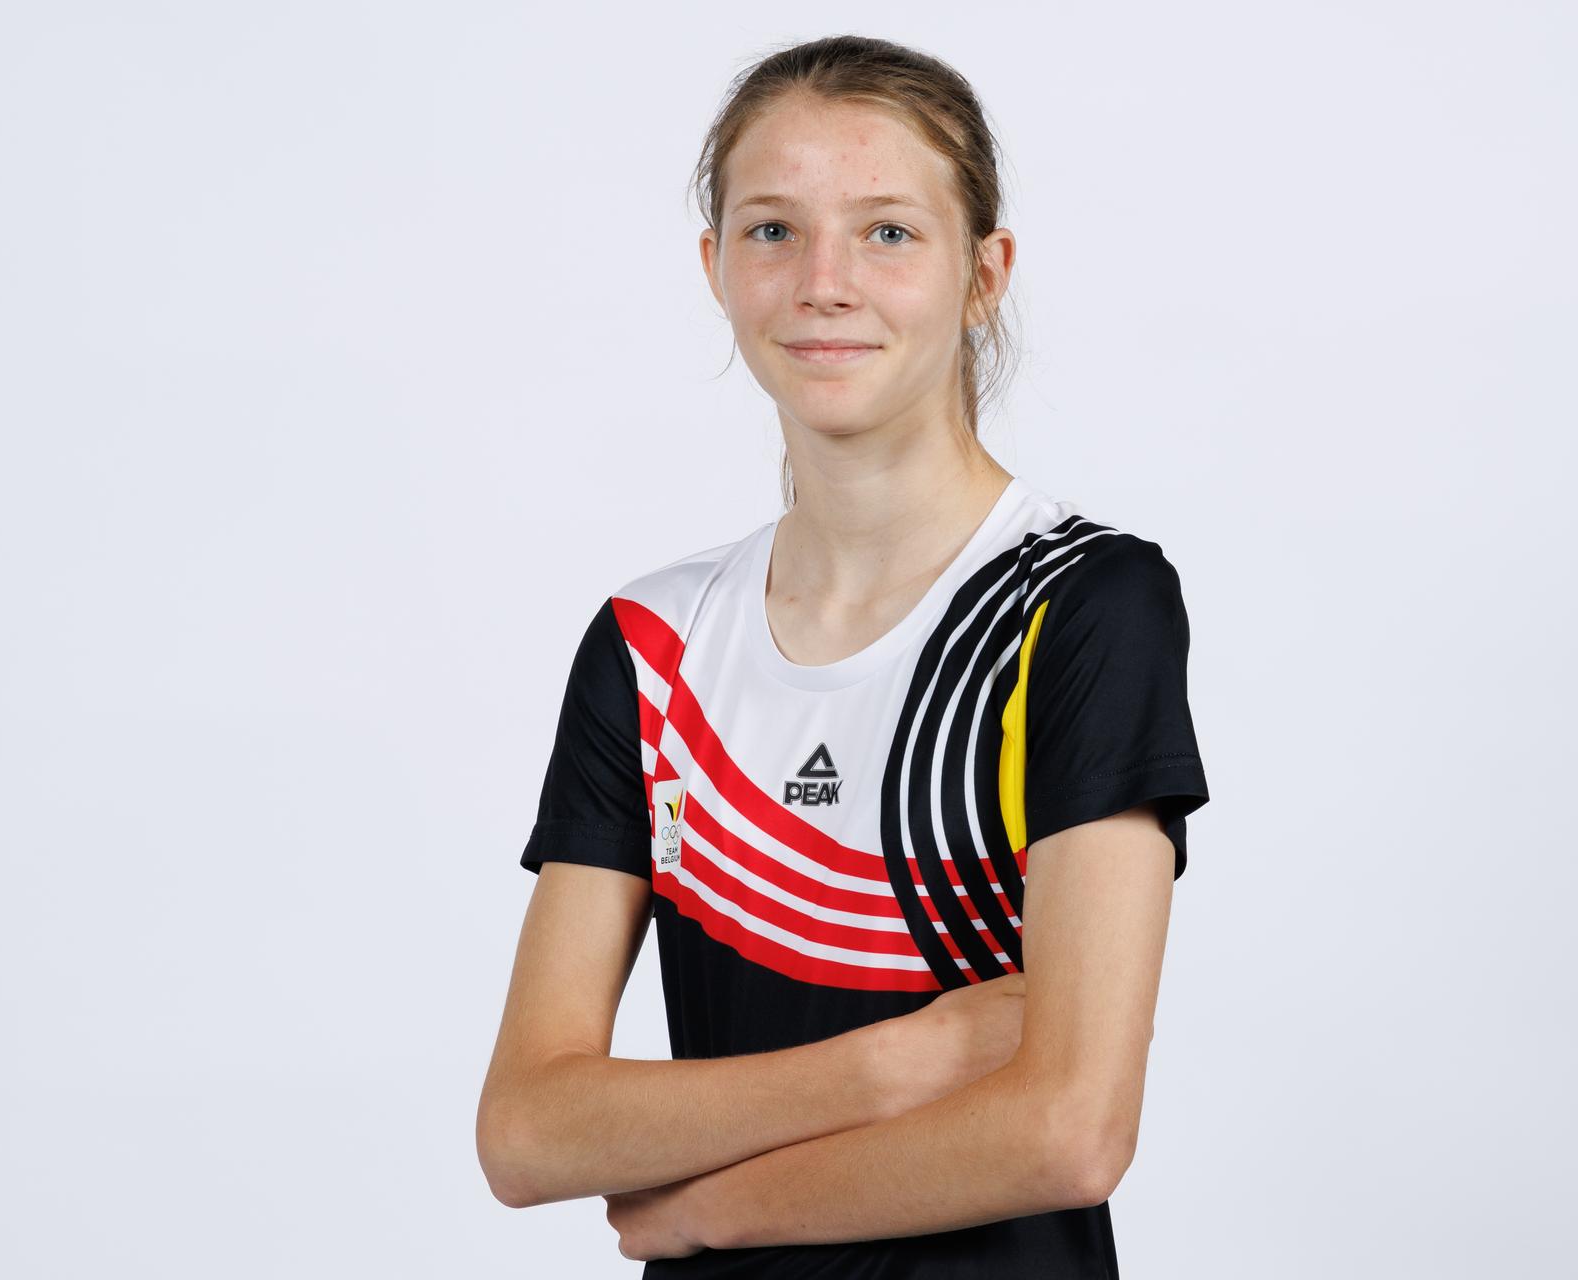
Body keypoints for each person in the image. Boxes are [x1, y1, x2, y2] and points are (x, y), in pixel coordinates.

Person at [477, 34, 1211, 1277]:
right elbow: (528, 1129)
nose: (824, 281)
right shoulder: (652, 646)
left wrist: (709, 1208)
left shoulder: (1081, 604)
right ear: (715, 267)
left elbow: (1071, 1129)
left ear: (986, 274)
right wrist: (900, 1060)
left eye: (887, 231)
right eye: (772, 231)